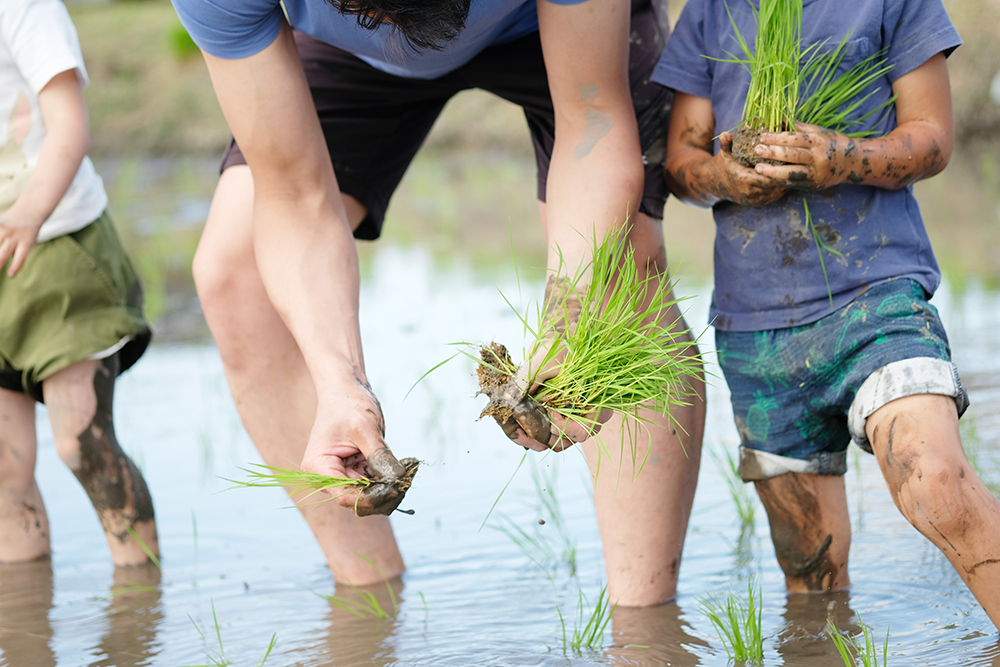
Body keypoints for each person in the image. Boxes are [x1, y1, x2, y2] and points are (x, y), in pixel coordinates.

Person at [172, 0, 706, 600]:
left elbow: (592, 122)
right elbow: (294, 193)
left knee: (621, 277)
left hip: (549, 25)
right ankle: (370, 605)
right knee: (235, 275)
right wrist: (340, 383)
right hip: (353, 54)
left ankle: (645, 627)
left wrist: (569, 318)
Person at [654, 0, 1000, 628]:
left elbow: (932, 135)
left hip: (877, 296)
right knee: (811, 570)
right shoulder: (709, 9)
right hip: (755, 328)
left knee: (938, 484)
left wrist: (843, 158)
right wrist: (725, 177)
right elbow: (681, 159)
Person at [0, 0, 157, 565]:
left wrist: (29, 212)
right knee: (3, 465)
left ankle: (139, 612)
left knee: (82, 443)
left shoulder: (23, 8)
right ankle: (25, 630)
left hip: (59, 252)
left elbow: (68, 121)